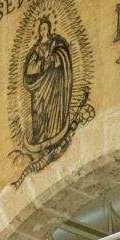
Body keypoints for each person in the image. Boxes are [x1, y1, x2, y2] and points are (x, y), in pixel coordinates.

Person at [21, 14, 74, 154]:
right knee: (38, 109)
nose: (43, 31)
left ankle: (54, 131)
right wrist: (42, 63)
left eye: (45, 28)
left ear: (49, 29)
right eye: (41, 29)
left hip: (53, 81)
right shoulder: (36, 48)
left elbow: (63, 54)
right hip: (39, 85)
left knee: (52, 106)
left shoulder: (55, 43)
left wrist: (54, 58)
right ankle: (39, 138)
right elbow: (30, 67)